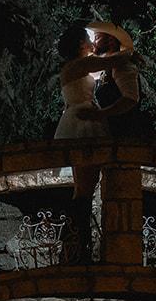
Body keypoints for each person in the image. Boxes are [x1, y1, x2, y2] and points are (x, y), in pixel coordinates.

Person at [52, 20, 135, 264]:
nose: (92, 41)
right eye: (89, 38)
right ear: (81, 43)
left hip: (77, 119)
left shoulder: (76, 66)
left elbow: (105, 64)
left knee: (83, 189)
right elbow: (115, 60)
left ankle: (75, 248)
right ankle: (77, 249)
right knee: (85, 190)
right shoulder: (82, 64)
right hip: (84, 124)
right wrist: (129, 51)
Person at [86, 21, 145, 138]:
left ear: (111, 40)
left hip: (124, 134)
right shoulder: (108, 68)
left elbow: (130, 99)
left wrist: (100, 114)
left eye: (97, 38)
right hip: (112, 131)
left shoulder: (122, 65)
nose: (94, 43)